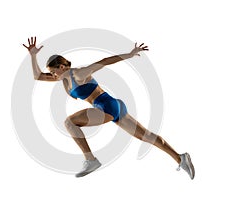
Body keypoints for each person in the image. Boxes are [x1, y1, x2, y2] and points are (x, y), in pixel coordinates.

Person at [22, 36, 195, 179]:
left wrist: (130, 54)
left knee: (69, 123)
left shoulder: (79, 73)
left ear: (61, 67)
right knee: (146, 136)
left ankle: (91, 160)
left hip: (106, 106)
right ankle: (180, 158)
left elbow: (104, 61)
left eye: (54, 72)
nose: (53, 75)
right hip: (114, 106)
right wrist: (32, 55)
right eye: (52, 73)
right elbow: (37, 76)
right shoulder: (62, 79)